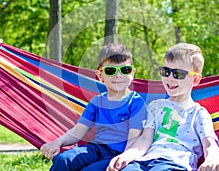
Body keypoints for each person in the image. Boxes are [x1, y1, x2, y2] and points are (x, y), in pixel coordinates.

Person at [107, 43, 219, 171]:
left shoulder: (198, 113)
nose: (170, 78)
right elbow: (145, 139)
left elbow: (209, 145)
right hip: (144, 161)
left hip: (174, 163)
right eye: (166, 72)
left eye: (178, 74)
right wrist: (126, 156)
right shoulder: (155, 107)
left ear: (195, 80)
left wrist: (211, 160)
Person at [40, 43, 147, 171]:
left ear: (132, 73)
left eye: (125, 70)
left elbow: (134, 138)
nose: (118, 75)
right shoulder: (97, 101)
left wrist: (123, 160)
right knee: (63, 160)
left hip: (119, 153)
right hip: (96, 148)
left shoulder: (135, 102)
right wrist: (58, 142)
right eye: (110, 71)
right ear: (100, 76)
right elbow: (78, 131)